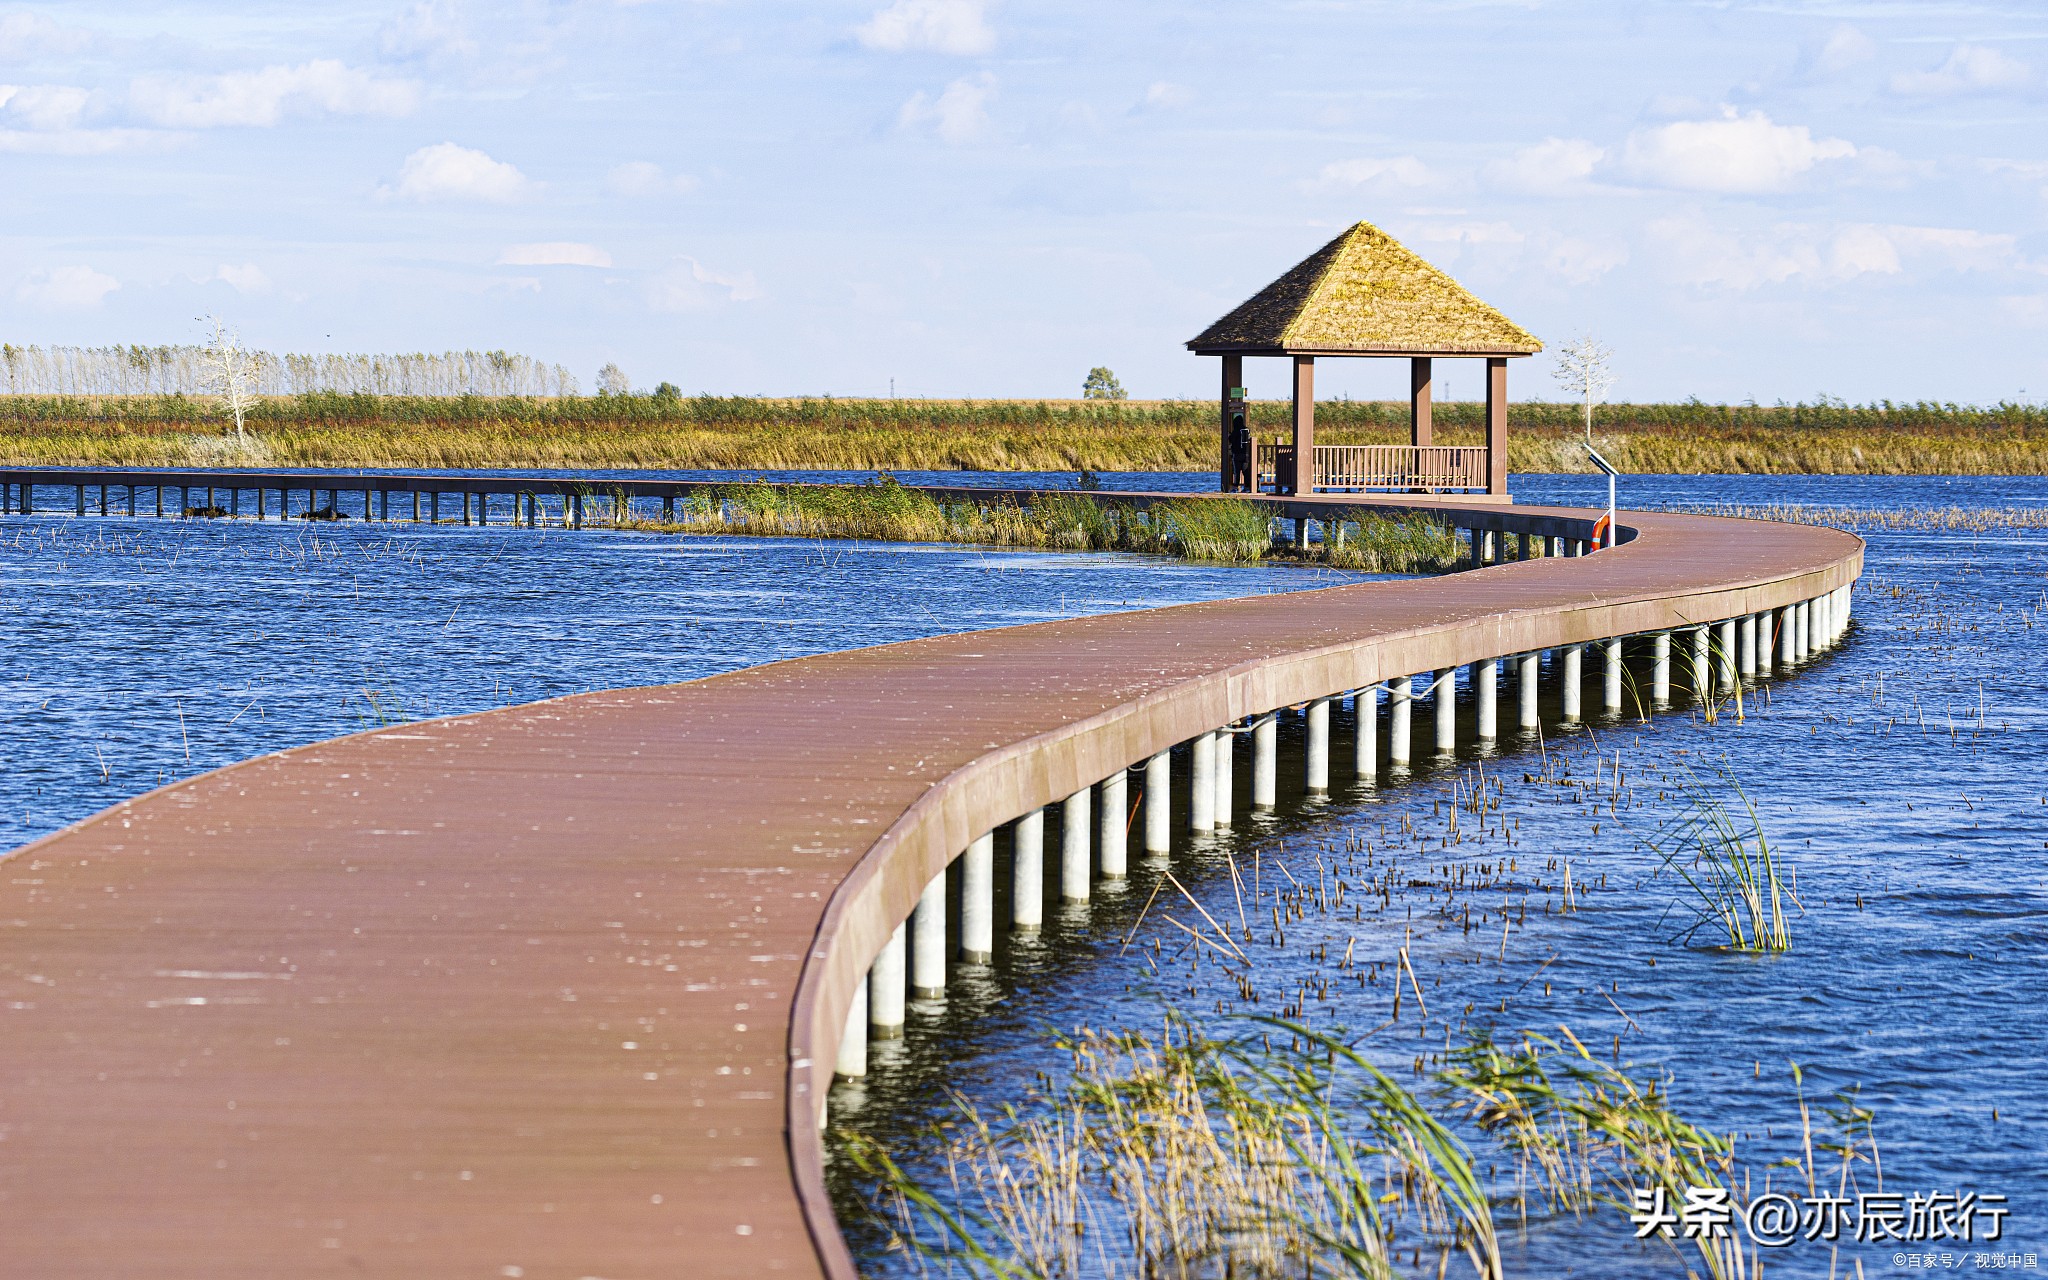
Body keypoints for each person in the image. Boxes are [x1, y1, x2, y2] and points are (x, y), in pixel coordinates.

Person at [1230, 413, 1252, 491]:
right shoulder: (1246, 430)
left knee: (1237, 471)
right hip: (1246, 454)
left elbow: (1231, 439)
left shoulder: (1236, 431)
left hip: (1237, 454)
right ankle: (1247, 486)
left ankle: (1235, 486)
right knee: (1245, 471)